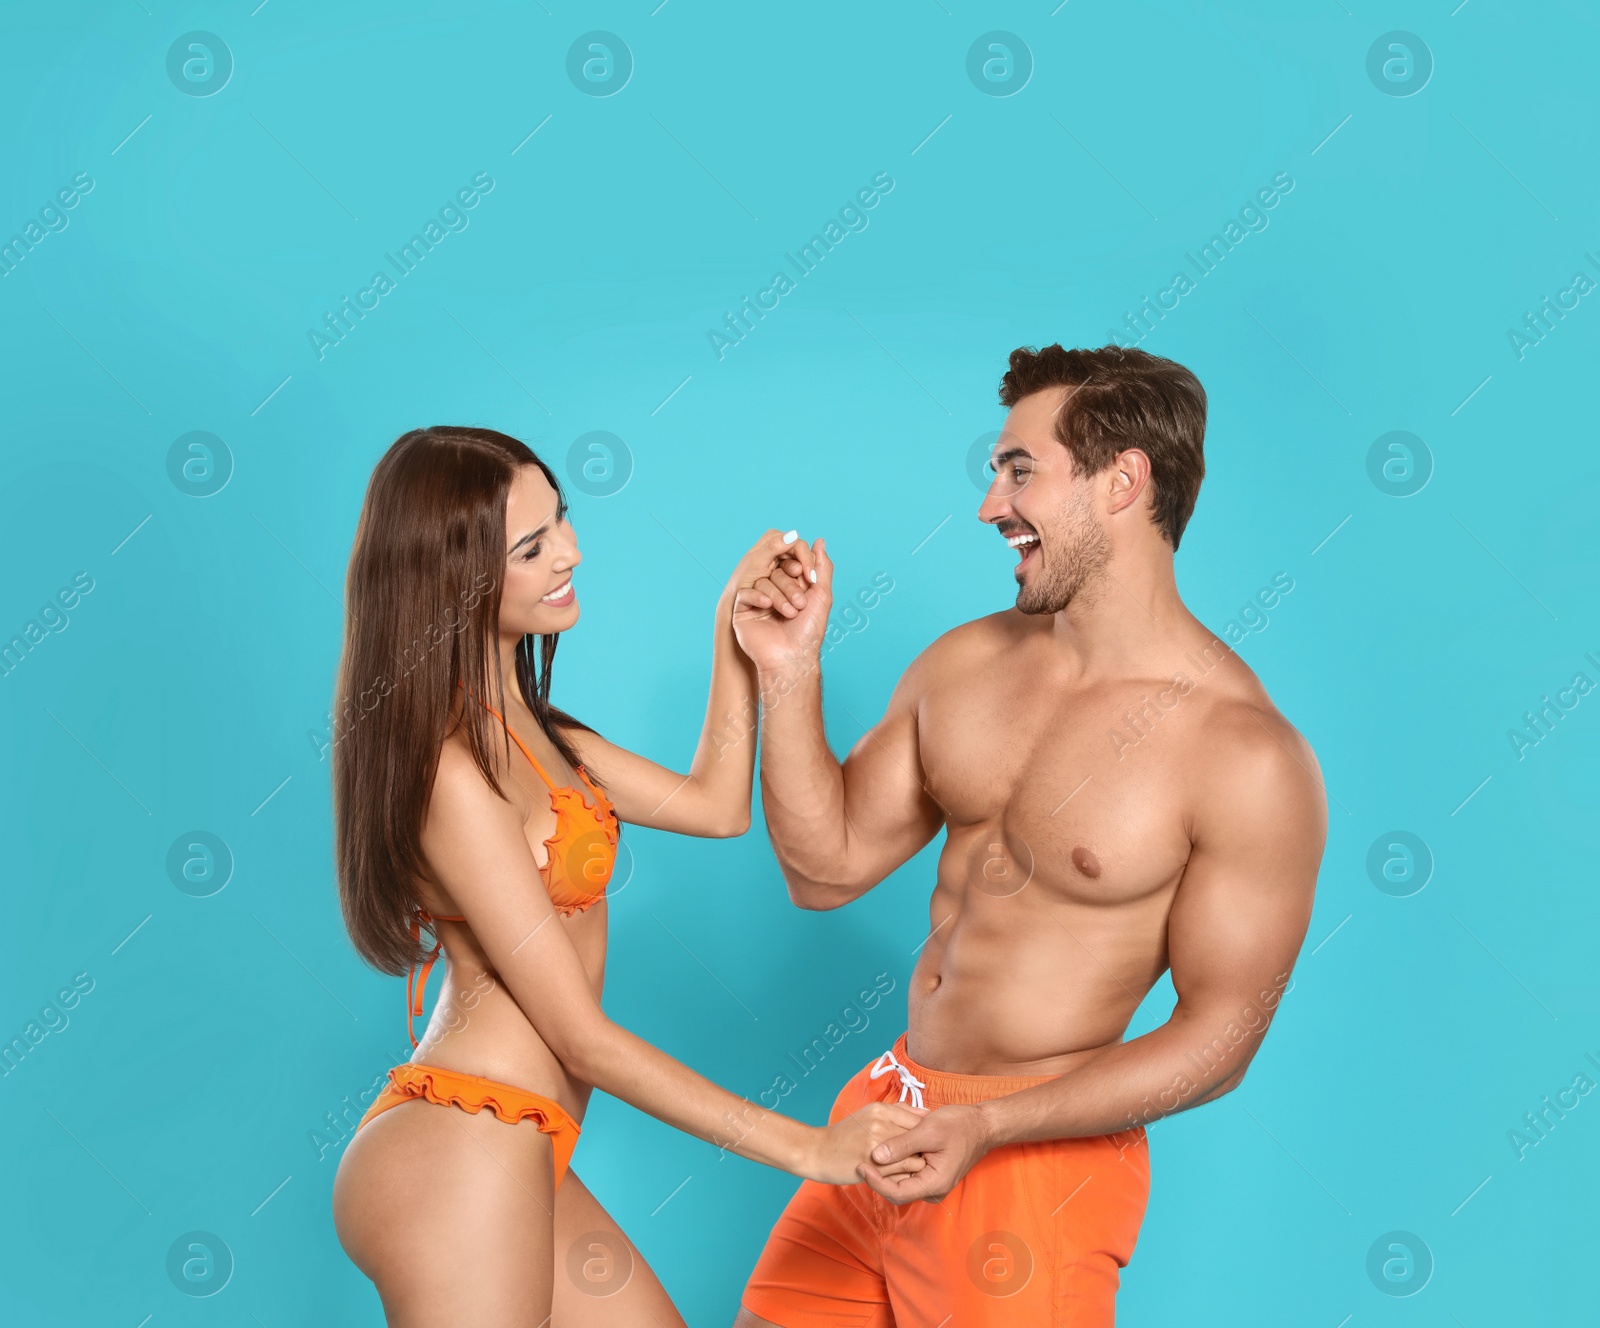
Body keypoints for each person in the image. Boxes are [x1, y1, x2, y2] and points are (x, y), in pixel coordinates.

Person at [729, 345, 1328, 1326]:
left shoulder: (1242, 753)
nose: (987, 506)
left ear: (1122, 480)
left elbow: (1221, 1037)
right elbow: (822, 868)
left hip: (1028, 1165)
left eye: (1018, 471)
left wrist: (989, 1123)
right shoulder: (964, 662)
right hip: (883, 1116)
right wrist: (787, 675)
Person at [328, 426, 926, 1325]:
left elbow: (716, 805)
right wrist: (812, 1148)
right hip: (458, 1142)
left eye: (560, 520)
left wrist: (742, 636)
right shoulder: (447, 777)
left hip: (521, 1142)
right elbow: (581, 1039)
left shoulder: (543, 735)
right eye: (531, 548)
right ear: (452, 581)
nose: (570, 551)